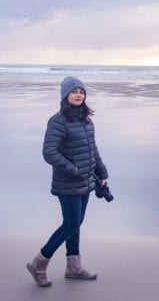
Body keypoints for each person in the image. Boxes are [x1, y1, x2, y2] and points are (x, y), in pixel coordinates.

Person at [26, 76, 109, 287]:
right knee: (71, 223)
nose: (78, 95)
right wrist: (74, 169)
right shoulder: (58, 121)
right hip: (68, 182)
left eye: (81, 91)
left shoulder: (86, 120)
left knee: (76, 223)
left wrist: (102, 171)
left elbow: (93, 149)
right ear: (65, 95)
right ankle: (39, 263)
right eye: (74, 91)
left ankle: (73, 266)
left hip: (86, 181)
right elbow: (49, 152)